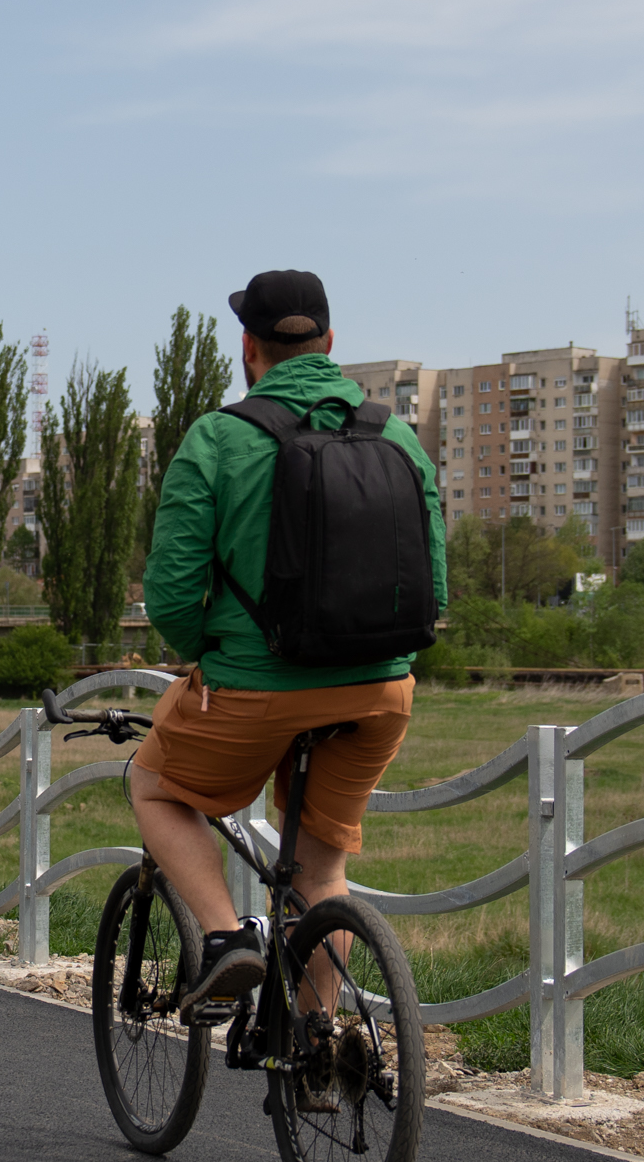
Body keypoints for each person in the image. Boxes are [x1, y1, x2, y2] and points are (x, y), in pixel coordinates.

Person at [132, 268, 446, 1004]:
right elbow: (433, 576)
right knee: (321, 870)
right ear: (330, 343)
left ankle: (223, 937)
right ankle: (324, 1050)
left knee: (152, 786)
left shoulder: (216, 439)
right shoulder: (398, 436)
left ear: (249, 347)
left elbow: (173, 595)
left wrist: (208, 656)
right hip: (379, 690)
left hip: (253, 687)